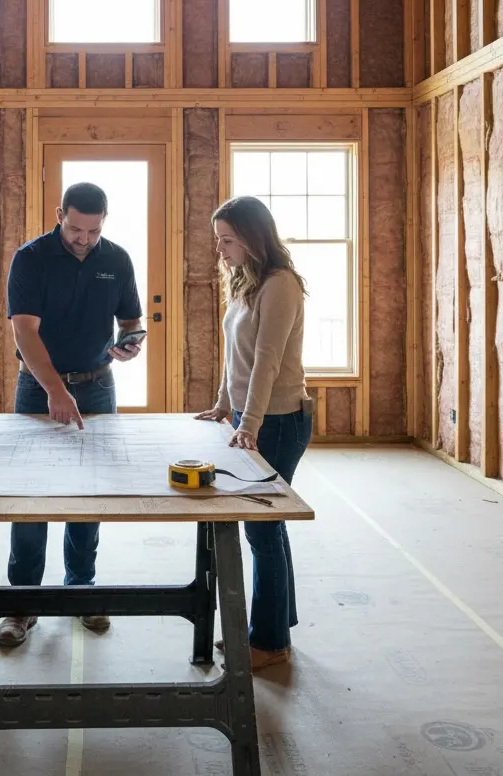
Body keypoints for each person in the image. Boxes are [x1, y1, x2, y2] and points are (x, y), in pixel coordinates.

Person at [0, 182, 144, 648]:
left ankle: (81, 589)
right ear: (60, 214)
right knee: (32, 494)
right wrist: (56, 390)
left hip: (98, 386)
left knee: (90, 492)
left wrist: (131, 343)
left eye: (93, 231)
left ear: (104, 222)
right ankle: (22, 602)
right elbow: (25, 333)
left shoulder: (117, 259)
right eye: (76, 229)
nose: (84, 239)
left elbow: (131, 321)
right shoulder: (31, 258)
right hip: (38, 388)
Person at [196, 195, 311, 672]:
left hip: (279, 420)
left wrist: (249, 424)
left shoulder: (280, 285)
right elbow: (235, 354)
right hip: (253, 415)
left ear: (252, 237)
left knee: (262, 528)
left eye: (227, 240)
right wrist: (226, 404)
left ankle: (269, 641)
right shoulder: (246, 280)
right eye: (218, 240)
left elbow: (266, 360)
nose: (220, 249)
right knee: (268, 527)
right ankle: (274, 627)